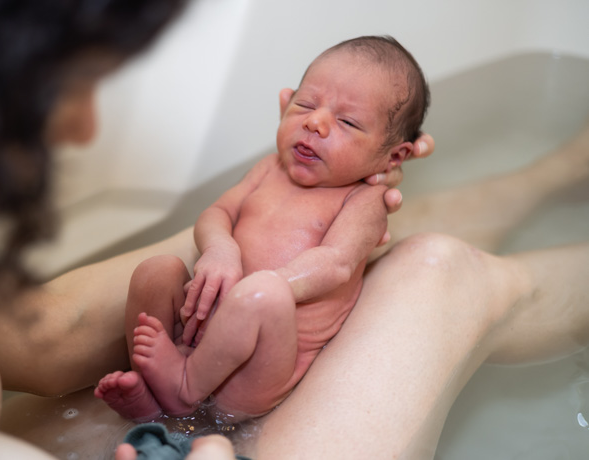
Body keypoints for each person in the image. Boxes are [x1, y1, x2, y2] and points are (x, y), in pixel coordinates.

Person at [0, 1, 587, 460]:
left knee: (349, 242)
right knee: (436, 269)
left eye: (347, 121)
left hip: (234, 322)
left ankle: (544, 176)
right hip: (227, 370)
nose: (84, 127)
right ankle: (545, 178)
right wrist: (245, 239)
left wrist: (307, 200)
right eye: (63, 83)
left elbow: (335, 260)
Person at [94, 36, 430, 422]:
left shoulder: (364, 200)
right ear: (286, 102)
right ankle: (151, 392)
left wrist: (261, 291)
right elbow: (217, 212)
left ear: (394, 156)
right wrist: (221, 250)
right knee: (157, 269)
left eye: (347, 121)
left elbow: (337, 263)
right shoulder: (269, 168)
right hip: (199, 328)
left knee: (264, 293)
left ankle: (186, 388)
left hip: (257, 370)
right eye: (305, 104)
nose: (315, 122)